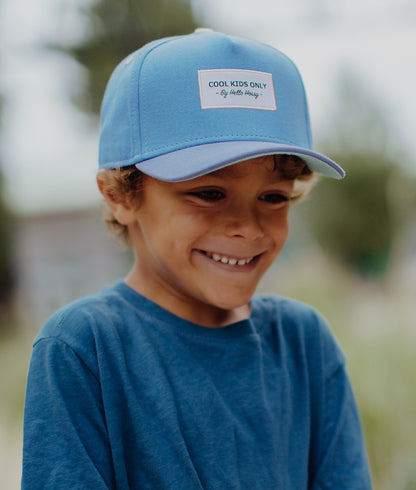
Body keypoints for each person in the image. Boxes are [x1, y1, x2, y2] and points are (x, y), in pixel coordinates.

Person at [22, 29, 372, 489]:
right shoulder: (85, 350)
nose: (247, 227)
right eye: (208, 193)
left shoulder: (304, 344)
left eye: (273, 197)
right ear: (119, 195)